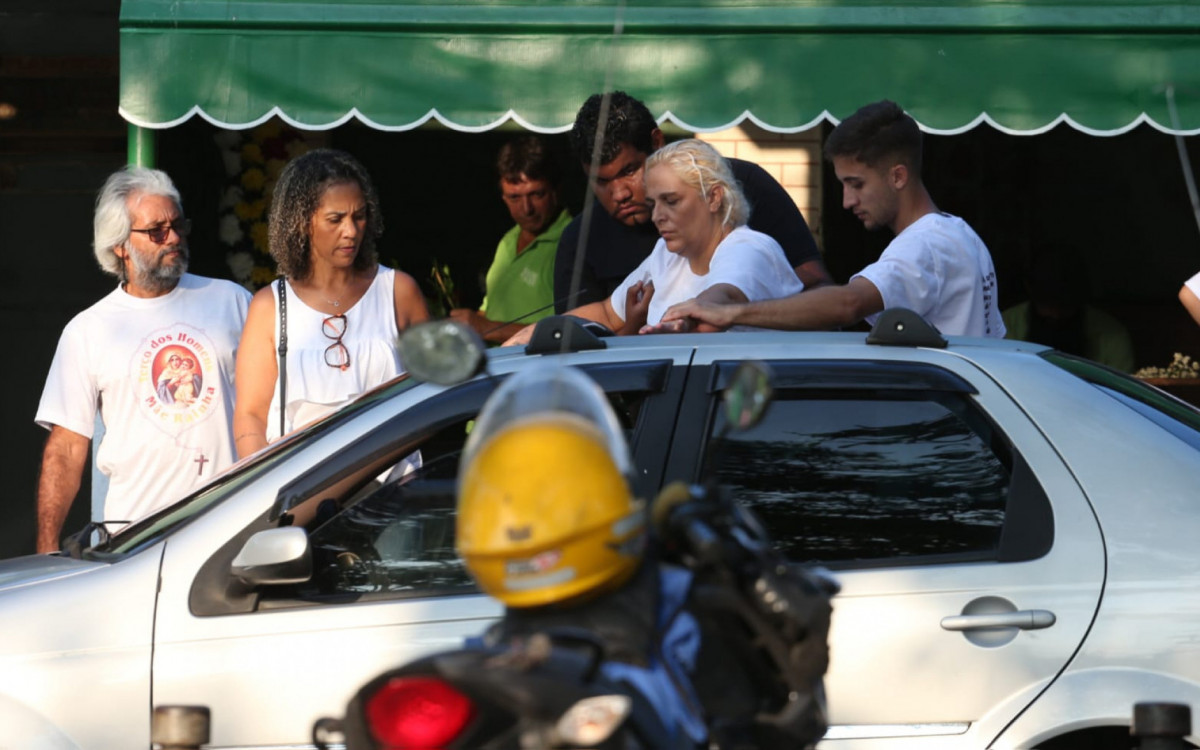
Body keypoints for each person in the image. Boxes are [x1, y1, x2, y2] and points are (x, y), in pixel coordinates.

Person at [34, 166, 251, 553]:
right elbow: (66, 448)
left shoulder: (232, 301)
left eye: (177, 225)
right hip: (133, 538)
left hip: (229, 523)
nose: (173, 238)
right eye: (156, 231)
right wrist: (47, 545)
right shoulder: (88, 330)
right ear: (120, 245)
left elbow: (273, 410)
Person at [655, 100, 1006, 338]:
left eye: (856, 184)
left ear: (898, 176)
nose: (846, 201)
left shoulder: (924, 246)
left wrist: (730, 313)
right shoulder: (960, 234)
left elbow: (847, 303)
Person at [553, 91, 831, 314]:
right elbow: (594, 328)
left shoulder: (747, 211)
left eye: (629, 171)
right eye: (601, 182)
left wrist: (738, 308)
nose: (619, 194)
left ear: (715, 196)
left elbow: (813, 287)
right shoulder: (590, 241)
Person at [506, 139, 804, 345]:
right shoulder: (668, 253)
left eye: (670, 201)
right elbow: (609, 313)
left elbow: (722, 297)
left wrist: (686, 320)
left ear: (714, 197)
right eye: (654, 203)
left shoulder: (747, 248)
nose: (657, 215)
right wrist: (531, 334)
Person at [233, 149, 429, 457]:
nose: (351, 231)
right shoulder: (271, 306)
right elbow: (250, 417)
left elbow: (434, 394)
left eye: (359, 216)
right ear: (302, 223)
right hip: (300, 493)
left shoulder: (398, 292)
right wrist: (271, 496)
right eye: (335, 219)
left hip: (390, 490)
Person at [450, 136, 571, 343]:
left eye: (536, 194)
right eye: (514, 197)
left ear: (556, 190)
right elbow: (490, 311)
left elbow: (572, 328)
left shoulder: (572, 243)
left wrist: (486, 328)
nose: (527, 209)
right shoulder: (508, 240)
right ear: (503, 197)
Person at [1004, 247, 1135, 372]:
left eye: (1065, 306)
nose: (1056, 315)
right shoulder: (1005, 326)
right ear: (1029, 286)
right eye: (1048, 304)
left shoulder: (1111, 335)